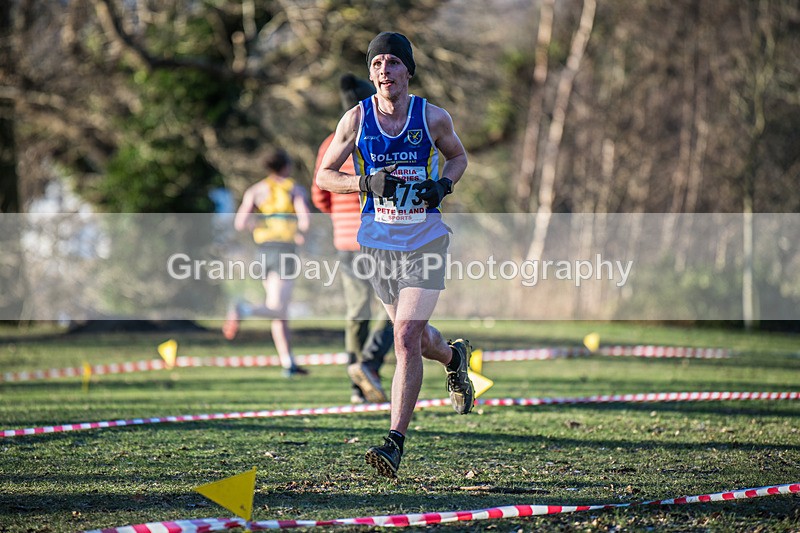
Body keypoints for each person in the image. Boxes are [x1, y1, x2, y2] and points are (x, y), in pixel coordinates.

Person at [316, 31, 474, 478]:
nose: (384, 71)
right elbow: (326, 176)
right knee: (417, 341)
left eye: (392, 62)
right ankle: (454, 358)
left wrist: (443, 185)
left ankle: (394, 442)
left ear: (408, 70)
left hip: (425, 240)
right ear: (372, 74)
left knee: (404, 338)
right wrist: (365, 183)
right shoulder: (356, 119)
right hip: (378, 244)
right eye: (376, 64)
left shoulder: (432, 117)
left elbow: (458, 157)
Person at [312, 74, 395, 405]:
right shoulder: (380, 137)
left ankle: (356, 383)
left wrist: (338, 218)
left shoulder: (330, 142)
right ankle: (369, 365)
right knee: (395, 307)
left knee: (356, 309)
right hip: (379, 234)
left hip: (345, 238)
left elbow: (321, 193)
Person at [223, 148, 310, 378]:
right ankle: (243, 308)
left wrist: (258, 225)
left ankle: (288, 363)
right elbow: (306, 221)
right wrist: (300, 231)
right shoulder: (294, 189)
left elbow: (240, 223)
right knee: (278, 308)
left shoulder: (256, 190)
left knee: (279, 312)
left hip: (263, 250)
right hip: (285, 249)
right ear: (287, 166)